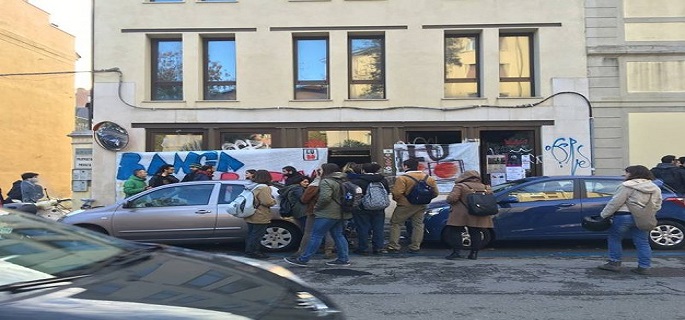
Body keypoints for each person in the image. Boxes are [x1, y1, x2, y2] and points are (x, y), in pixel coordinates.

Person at [597, 165, 662, 275]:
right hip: (643, 218)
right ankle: (644, 267)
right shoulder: (654, 187)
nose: (625, 175)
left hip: (624, 215)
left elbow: (616, 202)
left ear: (633, 174)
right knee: (642, 242)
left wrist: (603, 215)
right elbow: (657, 204)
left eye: (627, 173)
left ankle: (614, 263)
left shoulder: (627, 186)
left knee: (615, 238)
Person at [285, 163, 352, 267]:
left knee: (316, 235)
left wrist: (317, 208)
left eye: (320, 169)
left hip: (327, 213)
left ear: (326, 170)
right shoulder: (343, 180)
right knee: (338, 235)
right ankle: (343, 259)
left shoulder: (326, 181)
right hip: (342, 212)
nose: (318, 171)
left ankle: (303, 259)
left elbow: (325, 198)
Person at [386, 158, 438, 254]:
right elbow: (435, 193)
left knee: (396, 224)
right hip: (421, 205)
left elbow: (397, 193)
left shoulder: (403, 178)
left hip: (405, 205)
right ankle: (415, 246)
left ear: (406, 166)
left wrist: (399, 200)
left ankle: (393, 245)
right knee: (418, 225)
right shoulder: (428, 178)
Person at [444, 170, 494, 260]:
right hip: (478, 212)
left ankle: (456, 252)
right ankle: (473, 254)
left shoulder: (461, 186)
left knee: (455, 231)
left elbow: (452, 198)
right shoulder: (486, 187)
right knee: (476, 232)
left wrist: (448, 199)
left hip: (461, 213)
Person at [293, 171, 336, 259]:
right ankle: (328, 251)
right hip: (330, 211)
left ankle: (302, 251)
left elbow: (304, 199)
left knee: (309, 232)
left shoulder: (315, 184)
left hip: (314, 211)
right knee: (328, 232)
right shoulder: (336, 183)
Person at [349, 162, 390, 255]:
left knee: (363, 227)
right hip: (379, 206)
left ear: (363, 170)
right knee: (378, 228)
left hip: (362, 207)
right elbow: (387, 192)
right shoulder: (382, 180)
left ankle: (363, 248)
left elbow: (354, 194)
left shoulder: (358, 180)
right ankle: (378, 247)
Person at [243, 170, 277, 260]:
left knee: (251, 233)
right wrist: (274, 200)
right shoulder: (263, 188)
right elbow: (267, 202)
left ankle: (249, 250)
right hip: (260, 214)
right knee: (257, 234)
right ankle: (254, 252)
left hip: (250, 212)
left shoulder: (251, 186)